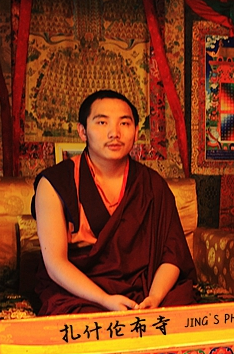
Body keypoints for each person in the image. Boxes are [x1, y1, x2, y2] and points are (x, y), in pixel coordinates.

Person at [32, 89, 196, 315]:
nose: (114, 133)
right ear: (82, 131)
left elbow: (173, 254)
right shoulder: (56, 183)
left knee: (180, 311)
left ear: (136, 132)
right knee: (86, 323)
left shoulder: (152, 185)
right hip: (82, 292)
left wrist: (155, 298)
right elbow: (55, 263)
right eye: (102, 122)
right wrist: (105, 300)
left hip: (145, 288)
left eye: (124, 123)